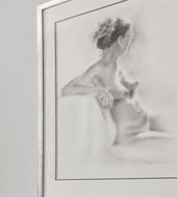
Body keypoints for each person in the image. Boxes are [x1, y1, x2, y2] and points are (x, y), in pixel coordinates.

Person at [60, 17, 163, 145]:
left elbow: (123, 91)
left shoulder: (115, 66)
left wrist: (130, 88)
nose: (131, 41)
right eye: (129, 36)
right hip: (132, 138)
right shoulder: (98, 69)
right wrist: (99, 91)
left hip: (145, 125)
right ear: (120, 40)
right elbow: (66, 90)